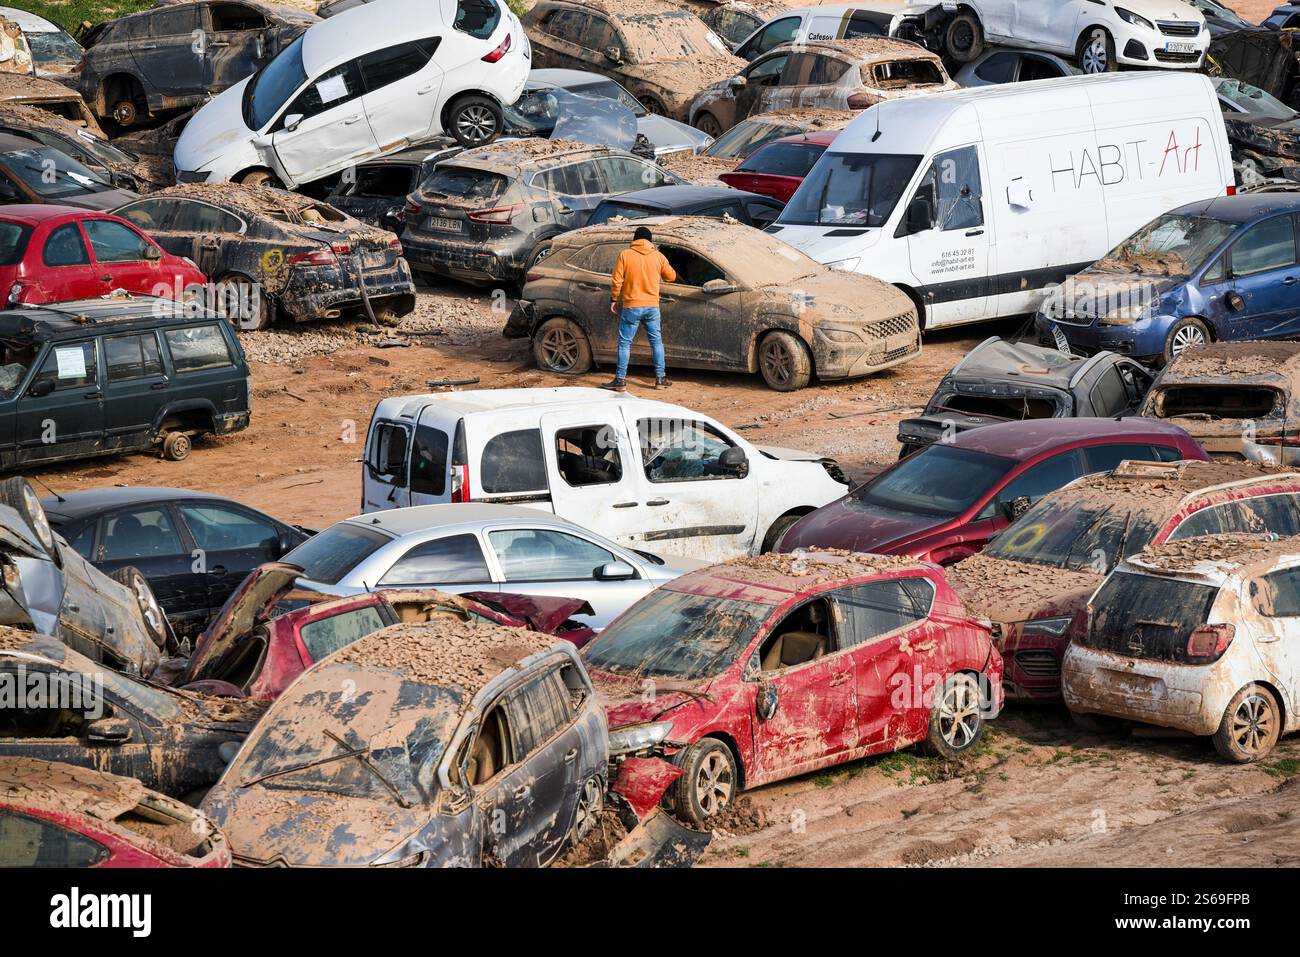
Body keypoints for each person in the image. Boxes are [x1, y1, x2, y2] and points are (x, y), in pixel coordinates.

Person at [603, 225, 674, 391]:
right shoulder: (658, 256)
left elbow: (616, 280)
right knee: (656, 342)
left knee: (625, 343)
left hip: (632, 306)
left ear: (634, 240)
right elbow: (671, 276)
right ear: (650, 241)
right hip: (652, 307)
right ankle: (660, 379)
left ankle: (620, 381)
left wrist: (614, 299)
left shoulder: (625, 255)